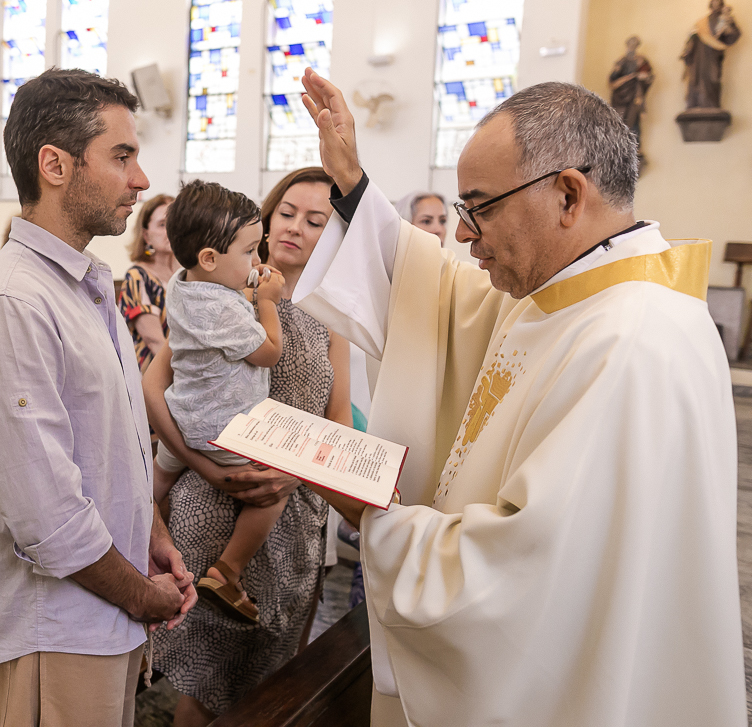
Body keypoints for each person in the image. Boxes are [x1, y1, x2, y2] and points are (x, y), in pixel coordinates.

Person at [293, 67, 743, 726]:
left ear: (568, 195)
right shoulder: (567, 296)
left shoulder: (628, 341)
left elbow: (525, 579)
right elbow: (434, 294)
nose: (464, 233)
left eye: (480, 206)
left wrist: (373, 518)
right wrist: (354, 186)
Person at [0, 68, 196, 727]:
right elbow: (47, 516)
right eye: (122, 156)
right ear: (55, 165)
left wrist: (153, 534)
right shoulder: (11, 303)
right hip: (52, 629)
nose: (140, 179)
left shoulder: (83, 285)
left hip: (103, 611)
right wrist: (144, 596)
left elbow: (112, 446)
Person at [144, 167, 355, 726]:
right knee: (207, 684)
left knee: (277, 676)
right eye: (287, 212)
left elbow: (337, 418)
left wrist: (297, 472)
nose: (296, 228)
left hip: (294, 505)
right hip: (217, 501)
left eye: (316, 220)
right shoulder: (220, 296)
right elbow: (154, 386)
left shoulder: (332, 311)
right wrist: (203, 466)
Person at [152, 180, 286, 623]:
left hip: (182, 415)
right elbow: (269, 352)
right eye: (249, 251)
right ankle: (227, 571)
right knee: (269, 495)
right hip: (222, 431)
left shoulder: (183, 284)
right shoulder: (225, 309)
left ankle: (131, 531)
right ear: (209, 258)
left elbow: (222, 299)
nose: (258, 261)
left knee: (156, 480)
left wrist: (246, 287)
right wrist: (267, 302)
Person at [119, 193, 177, 370]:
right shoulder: (137, 277)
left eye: (175, 222)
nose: (170, 230)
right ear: (146, 235)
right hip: (152, 374)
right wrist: (186, 376)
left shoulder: (187, 273)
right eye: (162, 224)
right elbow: (155, 342)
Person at [680, 0, 740, 110]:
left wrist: (727, 28)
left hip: (713, 54)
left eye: (718, 3)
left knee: (713, 77)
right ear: (710, 5)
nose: (716, 6)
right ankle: (695, 104)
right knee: (696, 78)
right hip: (698, 55)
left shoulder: (726, 18)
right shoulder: (702, 22)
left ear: (722, 5)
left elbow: (734, 34)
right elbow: (692, 37)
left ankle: (711, 105)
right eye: (714, 3)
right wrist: (687, 50)